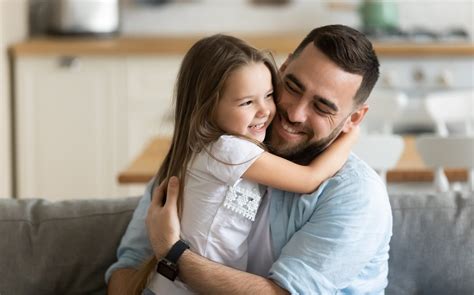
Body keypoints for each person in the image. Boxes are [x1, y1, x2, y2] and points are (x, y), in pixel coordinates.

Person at [107, 24, 392, 294]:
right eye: (292, 87)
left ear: (353, 119)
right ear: (282, 69)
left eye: (321, 106)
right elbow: (128, 270)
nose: (294, 114)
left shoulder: (355, 194)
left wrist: (171, 252)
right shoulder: (212, 147)